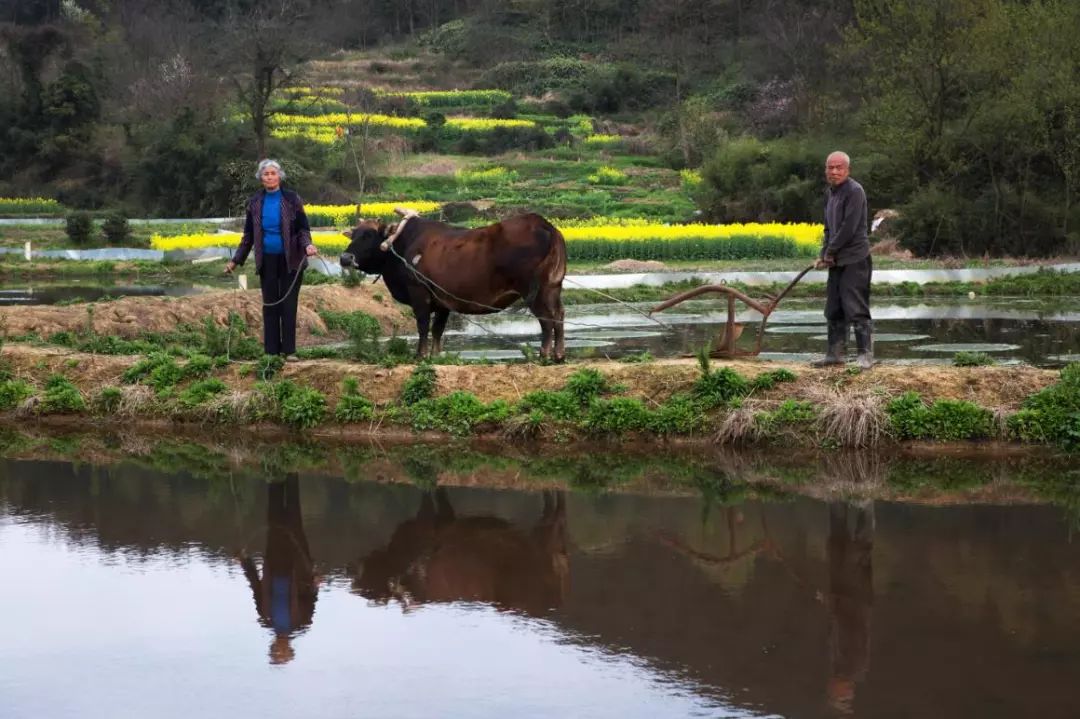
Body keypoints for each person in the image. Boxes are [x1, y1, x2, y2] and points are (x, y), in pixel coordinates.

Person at [225, 159, 318, 361]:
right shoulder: (255, 202)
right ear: (261, 178)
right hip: (266, 260)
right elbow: (248, 236)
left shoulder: (292, 199)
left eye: (273, 173)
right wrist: (235, 260)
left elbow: (303, 228)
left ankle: (289, 351)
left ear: (279, 176)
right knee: (270, 304)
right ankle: (271, 352)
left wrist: (307, 245)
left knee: (288, 304)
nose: (269, 177)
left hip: (291, 259)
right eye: (266, 174)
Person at [239, 473, 319, 665]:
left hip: (273, 559)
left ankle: (274, 465)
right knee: (293, 515)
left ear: (272, 646)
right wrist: (315, 583)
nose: (278, 648)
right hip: (297, 563)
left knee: (274, 513)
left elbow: (255, 585)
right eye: (282, 652)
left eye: (275, 651)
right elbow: (311, 596)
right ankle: (291, 469)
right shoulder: (303, 622)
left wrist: (244, 562)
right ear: (290, 648)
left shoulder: (265, 617)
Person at [813, 151, 873, 370]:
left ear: (847, 170)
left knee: (855, 307)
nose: (834, 171)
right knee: (834, 307)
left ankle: (865, 356)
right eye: (830, 168)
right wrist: (824, 253)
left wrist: (831, 251)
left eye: (839, 167)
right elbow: (829, 228)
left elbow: (849, 227)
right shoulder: (831, 194)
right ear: (826, 170)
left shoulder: (855, 192)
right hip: (837, 260)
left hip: (855, 258)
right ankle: (834, 354)